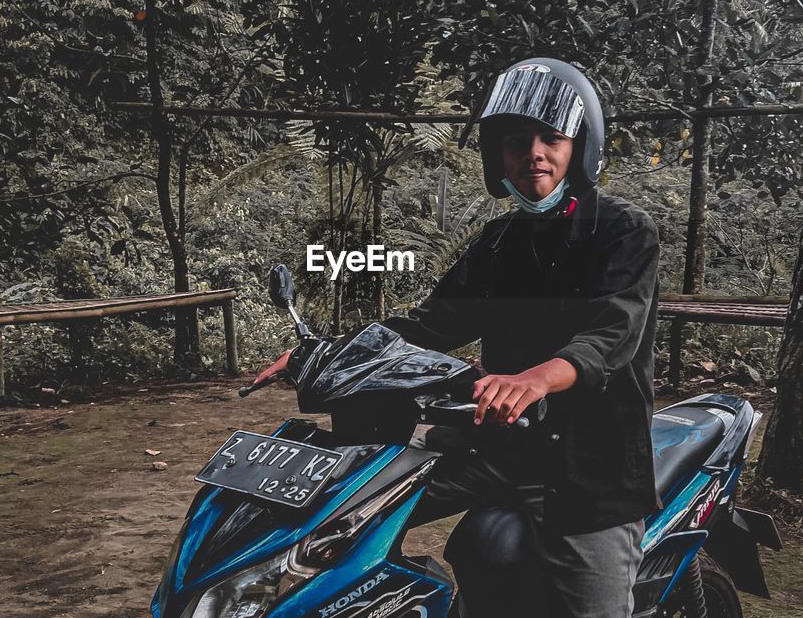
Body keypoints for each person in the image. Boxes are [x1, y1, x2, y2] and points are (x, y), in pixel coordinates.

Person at [254, 58, 660, 618]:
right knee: (344, 508)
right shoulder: (499, 244)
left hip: (591, 469)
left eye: (551, 138)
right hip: (502, 448)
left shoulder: (622, 230)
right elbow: (431, 324)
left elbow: (613, 333)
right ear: (499, 156)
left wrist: (535, 379)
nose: (534, 153)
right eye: (518, 141)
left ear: (579, 146)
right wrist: (324, 352)